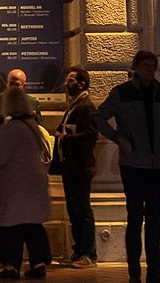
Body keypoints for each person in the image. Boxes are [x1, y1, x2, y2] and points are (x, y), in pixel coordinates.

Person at [93, 54, 160, 283]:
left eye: (154, 66)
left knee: (154, 219)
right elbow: (99, 117)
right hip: (134, 164)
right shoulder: (122, 92)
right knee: (136, 217)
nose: (151, 70)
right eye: (146, 66)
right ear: (136, 67)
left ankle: (155, 271)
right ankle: (134, 274)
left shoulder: (159, 93)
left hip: (158, 164)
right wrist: (118, 138)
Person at [0, 89, 53, 280]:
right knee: (32, 226)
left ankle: (11, 266)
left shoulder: (10, 128)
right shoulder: (32, 126)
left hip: (14, 187)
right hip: (33, 185)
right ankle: (38, 264)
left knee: (9, 228)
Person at [52, 72, 99, 272]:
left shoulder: (87, 106)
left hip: (80, 166)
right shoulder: (75, 105)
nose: (65, 83)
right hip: (70, 165)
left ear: (81, 84)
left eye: (70, 80)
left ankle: (88, 254)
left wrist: (68, 138)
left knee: (82, 210)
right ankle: (78, 251)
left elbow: (92, 134)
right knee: (74, 210)